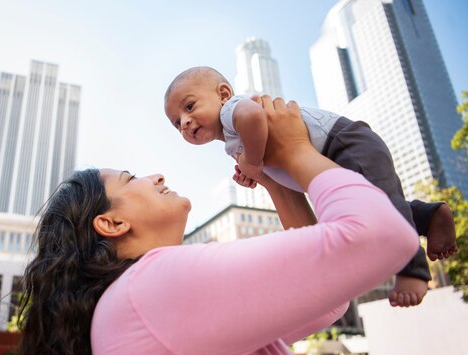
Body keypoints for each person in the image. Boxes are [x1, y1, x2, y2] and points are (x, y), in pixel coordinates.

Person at [16, 96, 420, 355]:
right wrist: (298, 151)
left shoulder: (142, 298)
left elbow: (327, 300)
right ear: (112, 223)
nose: (155, 176)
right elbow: (383, 233)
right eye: (130, 178)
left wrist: (274, 181)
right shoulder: (155, 284)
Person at [164, 66, 458, 307]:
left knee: (383, 205)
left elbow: (254, 117)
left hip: (344, 142)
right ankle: (426, 216)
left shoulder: (232, 111)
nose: (185, 122)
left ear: (223, 94)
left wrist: (252, 162)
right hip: (333, 156)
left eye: (189, 107)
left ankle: (412, 269)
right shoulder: (230, 140)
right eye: (177, 123)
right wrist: (260, 173)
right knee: (367, 209)